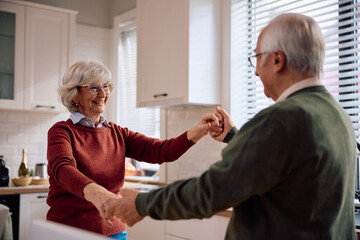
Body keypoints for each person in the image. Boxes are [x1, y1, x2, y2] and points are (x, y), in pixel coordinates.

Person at [105, 13, 358, 239]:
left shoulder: (281, 119)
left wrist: (143, 203)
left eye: (257, 57)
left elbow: (213, 189)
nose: (256, 71)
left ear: (278, 59)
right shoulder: (338, 115)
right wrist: (235, 136)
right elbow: (285, 167)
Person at [46, 61, 222, 239]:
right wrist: (96, 193)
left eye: (106, 86)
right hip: (69, 232)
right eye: (93, 87)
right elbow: (63, 168)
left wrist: (199, 130)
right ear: (74, 94)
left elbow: (162, 151)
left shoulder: (117, 133)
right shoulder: (62, 131)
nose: (102, 93)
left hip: (114, 232)